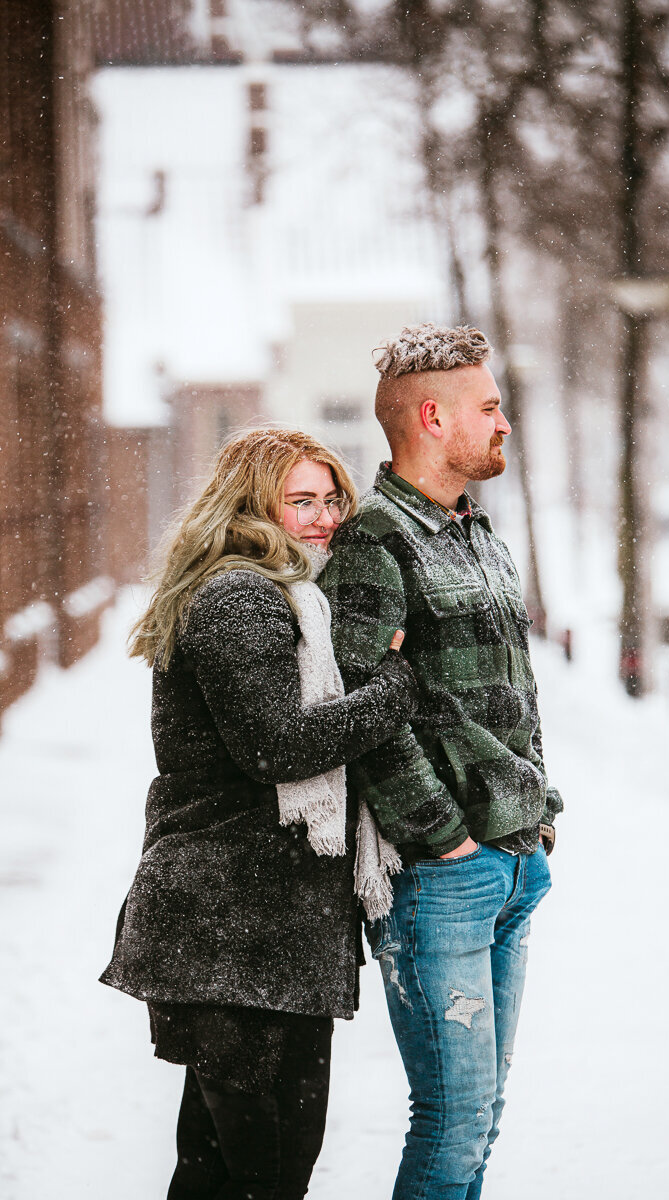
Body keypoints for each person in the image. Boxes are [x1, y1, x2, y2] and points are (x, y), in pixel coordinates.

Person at [100, 427, 418, 1200]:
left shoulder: (283, 594)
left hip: (258, 936)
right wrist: (394, 687)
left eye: (332, 497)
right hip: (233, 929)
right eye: (300, 500)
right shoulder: (241, 595)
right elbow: (278, 746)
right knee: (267, 1174)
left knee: (216, 1171)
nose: (324, 516)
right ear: (252, 506)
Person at [320, 323, 563, 1200]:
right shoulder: (373, 541)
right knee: (451, 1122)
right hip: (442, 880)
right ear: (432, 416)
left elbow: (510, 696)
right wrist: (442, 838)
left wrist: (535, 822)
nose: (504, 424)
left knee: (483, 1116)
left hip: (512, 863)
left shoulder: (479, 535)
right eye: (490, 408)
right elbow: (362, 710)